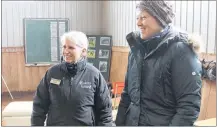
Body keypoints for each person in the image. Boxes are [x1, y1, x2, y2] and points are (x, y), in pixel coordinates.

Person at [115, 0, 202, 126]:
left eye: (143, 17)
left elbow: (188, 106)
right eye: (137, 18)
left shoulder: (181, 51)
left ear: (160, 18)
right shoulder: (135, 50)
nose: (138, 23)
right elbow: (127, 95)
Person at [31, 31, 113, 126]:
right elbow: (39, 107)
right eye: (64, 47)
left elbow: (105, 113)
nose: (66, 51)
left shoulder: (94, 75)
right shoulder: (52, 73)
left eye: (71, 47)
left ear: (83, 51)